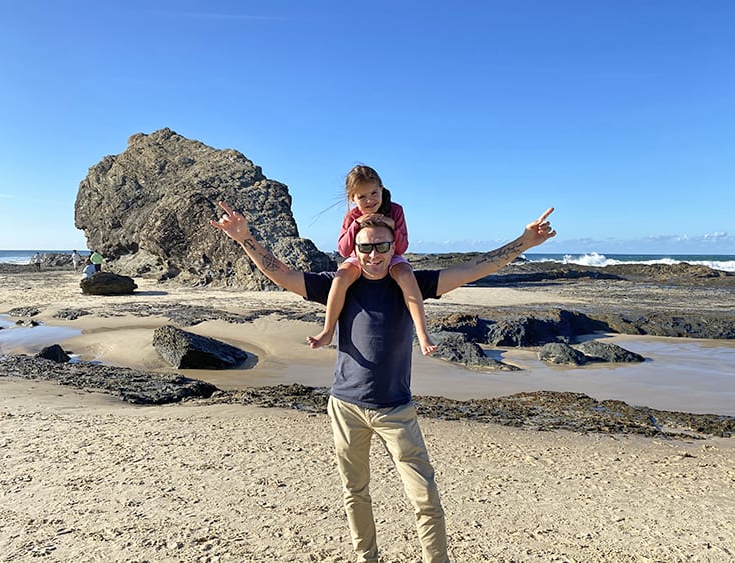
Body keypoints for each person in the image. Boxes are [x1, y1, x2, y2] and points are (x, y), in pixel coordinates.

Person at [210, 200, 556, 563]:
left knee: (425, 497)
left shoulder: (412, 283)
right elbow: (283, 274)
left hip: (396, 410)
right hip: (346, 408)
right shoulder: (339, 284)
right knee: (354, 492)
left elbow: (473, 268)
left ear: (395, 248)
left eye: (382, 246)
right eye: (366, 247)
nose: (374, 255)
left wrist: (524, 242)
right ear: (354, 249)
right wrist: (244, 238)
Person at [308, 165, 437, 355]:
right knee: (341, 276)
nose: (369, 200)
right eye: (361, 197)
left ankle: (422, 333)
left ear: (382, 189)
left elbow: (401, 247)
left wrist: (391, 225)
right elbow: (344, 250)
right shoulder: (351, 216)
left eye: (374, 193)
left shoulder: (395, 210)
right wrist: (356, 224)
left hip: (390, 256)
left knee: (405, 274)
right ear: (352, 198)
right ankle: (327, 331)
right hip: (358, 258)